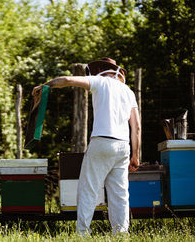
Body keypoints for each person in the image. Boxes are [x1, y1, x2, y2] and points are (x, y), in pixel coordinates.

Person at [32, 57, 141, 235]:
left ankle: (83, 233)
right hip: (123, 146)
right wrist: (135, 155)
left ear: (98, 70)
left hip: (102, 141)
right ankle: (121, 234)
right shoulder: (128, 92)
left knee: (88, 189)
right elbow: (136, 127)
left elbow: (67, 80)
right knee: (120, 193)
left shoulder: (100, 81)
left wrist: (45, 85)